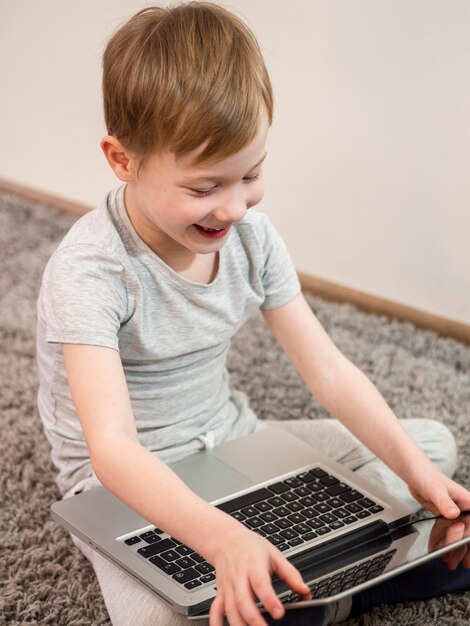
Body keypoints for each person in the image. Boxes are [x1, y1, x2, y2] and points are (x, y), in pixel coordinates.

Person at [36, 3, 470, 625]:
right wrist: (222, 540)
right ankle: (333, 581)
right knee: (159, 618)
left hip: (234, 440)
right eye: (205, 187)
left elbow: (330, 373)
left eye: (252, 174)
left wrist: (418, 475)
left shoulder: (252, 239)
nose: (235, 207)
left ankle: (315, 585)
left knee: (429, 447)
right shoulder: (89, 271)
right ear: (122, 159)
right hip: (123, 487)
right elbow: (112, 449)